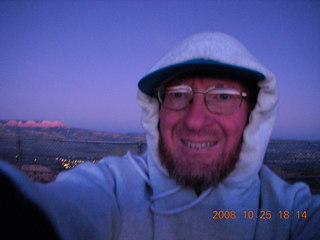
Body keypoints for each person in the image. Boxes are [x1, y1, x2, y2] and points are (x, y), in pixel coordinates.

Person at [0, 32, 319, 240]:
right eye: (178, 94)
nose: (195, 121)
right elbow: (58, 209)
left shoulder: (289, 212)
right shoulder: (116, 188)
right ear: (157, 109)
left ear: (254, 115)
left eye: (223, 96)